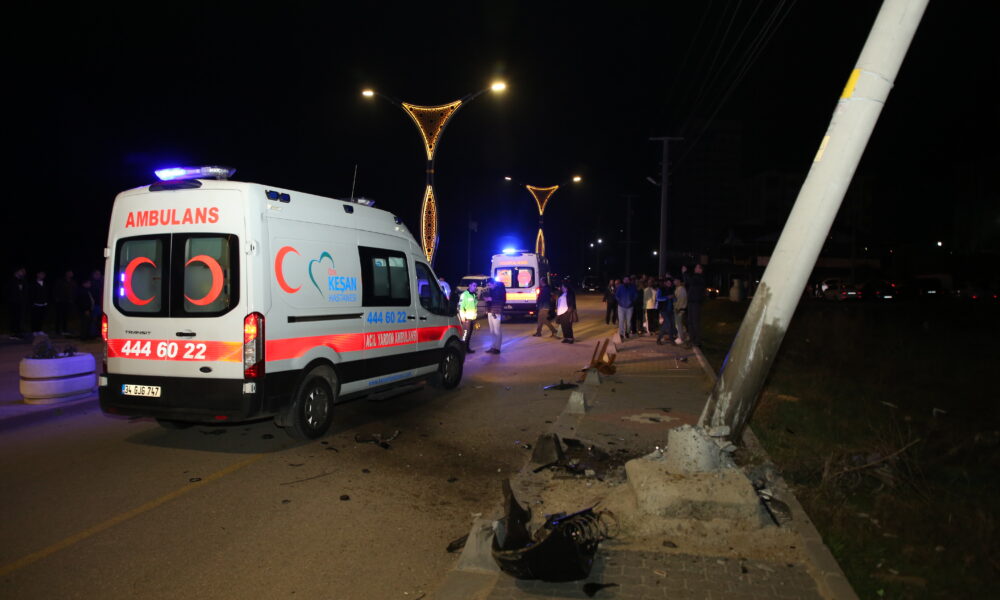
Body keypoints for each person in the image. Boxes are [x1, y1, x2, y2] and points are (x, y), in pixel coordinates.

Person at [685, 264, 706, 347]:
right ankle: (692, 339)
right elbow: (688, 282)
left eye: (697, 267)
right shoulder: (695, 277)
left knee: (695, 322)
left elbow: (691, 281)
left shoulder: (700, 278)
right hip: (691, 301)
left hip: (696, 302)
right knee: (690, 321)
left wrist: (685, 272)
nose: (695, 268)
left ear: (701, 270)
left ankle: (697, 341)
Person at [483, 277, 506, 354]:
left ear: (494, 283)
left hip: (496, 311)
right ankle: (493, 347)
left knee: (497, 330)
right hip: (490, 310)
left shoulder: (500, 289)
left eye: (490, 285)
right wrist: (486, 299)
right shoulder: (491, 290)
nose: (489, 286)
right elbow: (488, 299)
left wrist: (491, 299)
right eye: (488, 285)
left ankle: (497, 348)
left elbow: (502, 300)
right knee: (492, 330)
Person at [5, 266, 28, 339]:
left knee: (19, 318)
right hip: (13, 303)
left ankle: (18, 331)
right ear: (17, 272)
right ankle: (14, 333)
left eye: (24, 271)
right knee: (13, 318)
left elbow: (24, 291)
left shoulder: (22, 280)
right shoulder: (11, 280)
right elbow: (8, 292)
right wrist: (11, 300)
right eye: (22, 271)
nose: (24, 273)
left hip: (21, 303)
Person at [54, 269, 78, 337]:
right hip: (61, 301)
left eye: (71, 273)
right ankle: (57, 330)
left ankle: (65, 330)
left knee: (66, 316)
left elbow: (74, 291)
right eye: (69, 273)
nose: (71, 274)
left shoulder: (73, 282)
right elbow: (56, 290)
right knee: (59, 316)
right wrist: (57, 298)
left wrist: (73, 299)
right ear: (66, 273)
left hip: (69, 302)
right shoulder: (60, 281)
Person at [458, 281, 479, 353]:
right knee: (465, 334)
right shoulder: (464, 295)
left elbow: (475, 306)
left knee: (469, 334)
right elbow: (460, 307)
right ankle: (462, 349)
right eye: (474, 285)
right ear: (469, 285)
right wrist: (462, 317)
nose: (475, 287)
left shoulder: (474, 295)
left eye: (476, 286)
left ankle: (467, 348)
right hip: (466, 318)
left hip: (472, 318)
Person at [656, 277, 676, 344]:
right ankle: (670, 340)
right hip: (664, 310)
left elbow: (674, 299)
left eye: (670, 283)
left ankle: (662, 339)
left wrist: (674, 298)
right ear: (665, 283)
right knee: (668, 324)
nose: (669, 284)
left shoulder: (671, 289)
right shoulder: (661, 289)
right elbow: (658, 298)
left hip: (671, 310)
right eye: (668, 283)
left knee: (670, 324)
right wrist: (667, 297)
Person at [29, 270, 49, 336]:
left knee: (41, 318)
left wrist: (46, 301)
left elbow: (46, 293)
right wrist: (33, 302)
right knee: (34, 318)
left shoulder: (45, 283)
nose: (43, 275)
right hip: (35, 304)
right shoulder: (33, 283)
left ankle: (39, 330)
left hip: (43, 304)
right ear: (37, 274)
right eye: (41, 274)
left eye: (44, 274)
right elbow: (31, 293)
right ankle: (34, 330)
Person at [673, 277, 688, 345]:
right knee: (680, 324)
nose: (674, 282)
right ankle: (684, 336)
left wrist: (678, 308)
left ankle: (681, 338)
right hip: (680, 308)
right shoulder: (679, 288)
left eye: (675, 280)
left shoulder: (680, 289)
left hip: (679, 309)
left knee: (678, 324)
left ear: (678, 281)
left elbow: (680, 300)